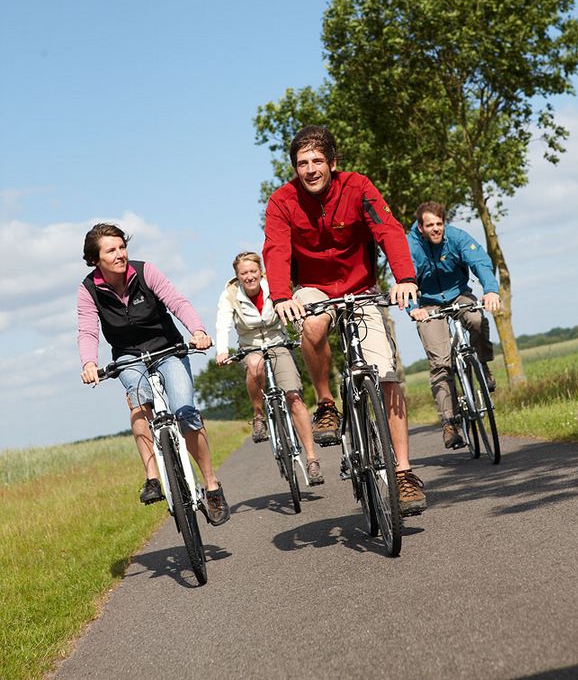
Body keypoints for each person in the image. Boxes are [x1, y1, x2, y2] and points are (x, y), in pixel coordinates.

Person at [262, 125, 426, 517]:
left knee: (385, 374)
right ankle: (326, 404)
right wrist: (282, 295)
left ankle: (403, 473)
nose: (311, 169)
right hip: (315, 288)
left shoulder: (358, 187)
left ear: (333, 163)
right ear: (294, 168)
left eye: (318, 161)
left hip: (362, 287)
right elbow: (276, 248)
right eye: (302, 163)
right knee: (313, 325)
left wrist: (404, 277)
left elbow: (388, 229)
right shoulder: (282, 201)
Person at [77, 222, 230, 525]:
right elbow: (87, 330)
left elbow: (177, 302)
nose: (120, 254)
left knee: (185, 412)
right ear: (96, 259)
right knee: (138, 403)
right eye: (111, 250)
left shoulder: (146, 272)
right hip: (127, 357)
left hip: (167, 349)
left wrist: (197, 331)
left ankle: (211, 484)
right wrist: (88, 363)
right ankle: (152, 478)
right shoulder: (88, 289)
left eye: (122, 247)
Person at [215, 251, 325, 485]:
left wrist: (302, 330)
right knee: (254, 365)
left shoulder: (272, 286)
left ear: (260, 271)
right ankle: (258, 415)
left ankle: (312, 459)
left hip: (278, 343)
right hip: (251, 347)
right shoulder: (230, 295)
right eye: (244, 273)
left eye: (253, 271)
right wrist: (222, 350)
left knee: (294, 397)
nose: (249, 276)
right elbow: (223, 322)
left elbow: (291, 308)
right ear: (237, 276)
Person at [407, 202, 500, 450]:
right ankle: (450, 424)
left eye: (439, 224)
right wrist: (412, 308)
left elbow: (480, 261)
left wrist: (490, 290)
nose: (436, 229)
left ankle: (482, 363)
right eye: (430, 225)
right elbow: (404, 278)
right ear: (421, 227)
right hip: (427, 304)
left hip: (459, 294)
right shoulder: (411, 245)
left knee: (477, 319)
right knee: (440, 362)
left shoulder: (456, 237)